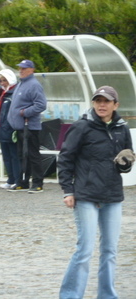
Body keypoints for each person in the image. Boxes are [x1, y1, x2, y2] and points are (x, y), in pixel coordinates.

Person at [58, 86, 134, 299]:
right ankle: (70, 295)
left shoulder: (122, 128)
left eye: (106, 101)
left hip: (112, 195)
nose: (102, 104)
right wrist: (67, 190)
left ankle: (107, 295)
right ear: (93, 103)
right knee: (85, 250)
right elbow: (65, 158)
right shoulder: (82, 127)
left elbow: (125, 162)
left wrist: (126, 164)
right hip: (86, 195)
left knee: (110, 251)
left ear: (115, 105)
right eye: (98, 100)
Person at [7, 59, 47, 193]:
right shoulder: (21, 84)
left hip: (29, 126)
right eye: (20, 68)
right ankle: (23, 182)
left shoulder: (34, 85)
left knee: (32, 155)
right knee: (22, 155)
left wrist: (25, 112)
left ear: (32, 70)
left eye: (24, 68)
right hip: (19, 127)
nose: (21, 70)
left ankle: (38, 183)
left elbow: (41, 104)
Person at [0, 69, 21, 189]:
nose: (2, 83)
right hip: (2, 128)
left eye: (4, 80)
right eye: (1, 80)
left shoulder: (14, 93)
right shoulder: (3, 94)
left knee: (14, 156)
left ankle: (17, 179)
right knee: (7, 156)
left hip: (10, 129)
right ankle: (10, 179)